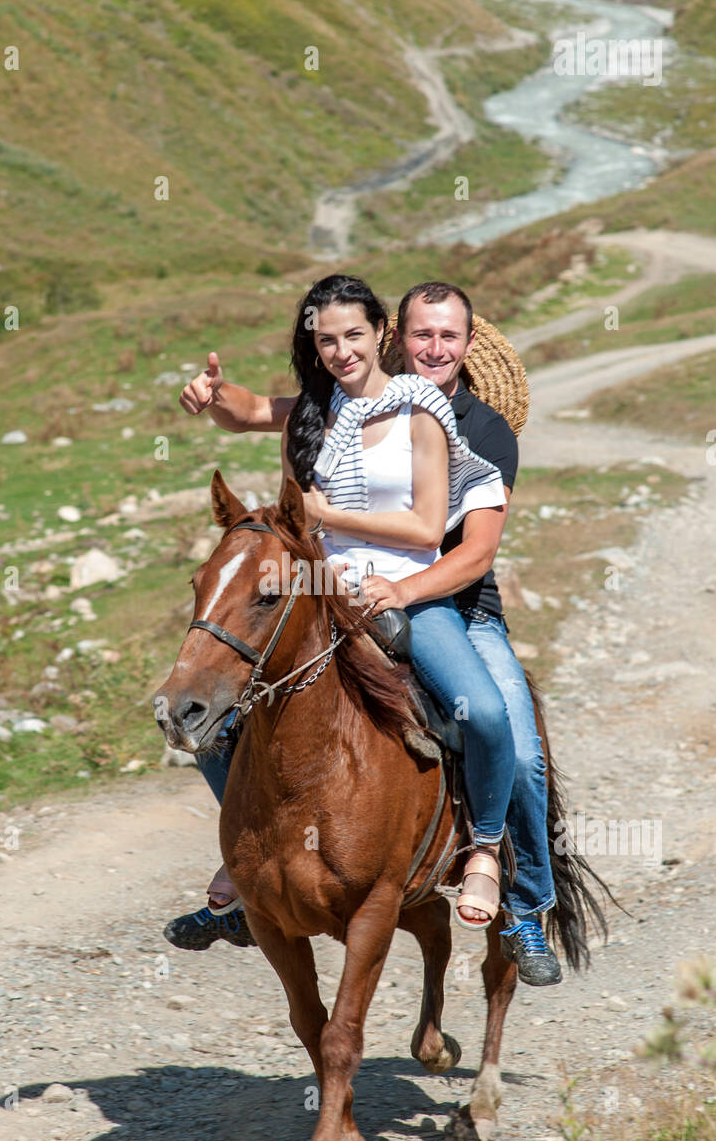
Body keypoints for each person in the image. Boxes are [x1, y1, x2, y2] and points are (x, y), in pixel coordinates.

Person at [167, 278, 562, 985]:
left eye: (446, 336)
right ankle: (252, 854)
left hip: (423, 593)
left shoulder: (440, 418)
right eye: (327, 338)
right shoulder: (323, 410)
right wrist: (211, 396)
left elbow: (443, 539)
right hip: (325, 590)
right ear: (398, 337)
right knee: (216, 711)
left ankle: (501, 871)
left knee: (494, 721)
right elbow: (257, 410)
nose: (431, 347)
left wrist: (327, 518)